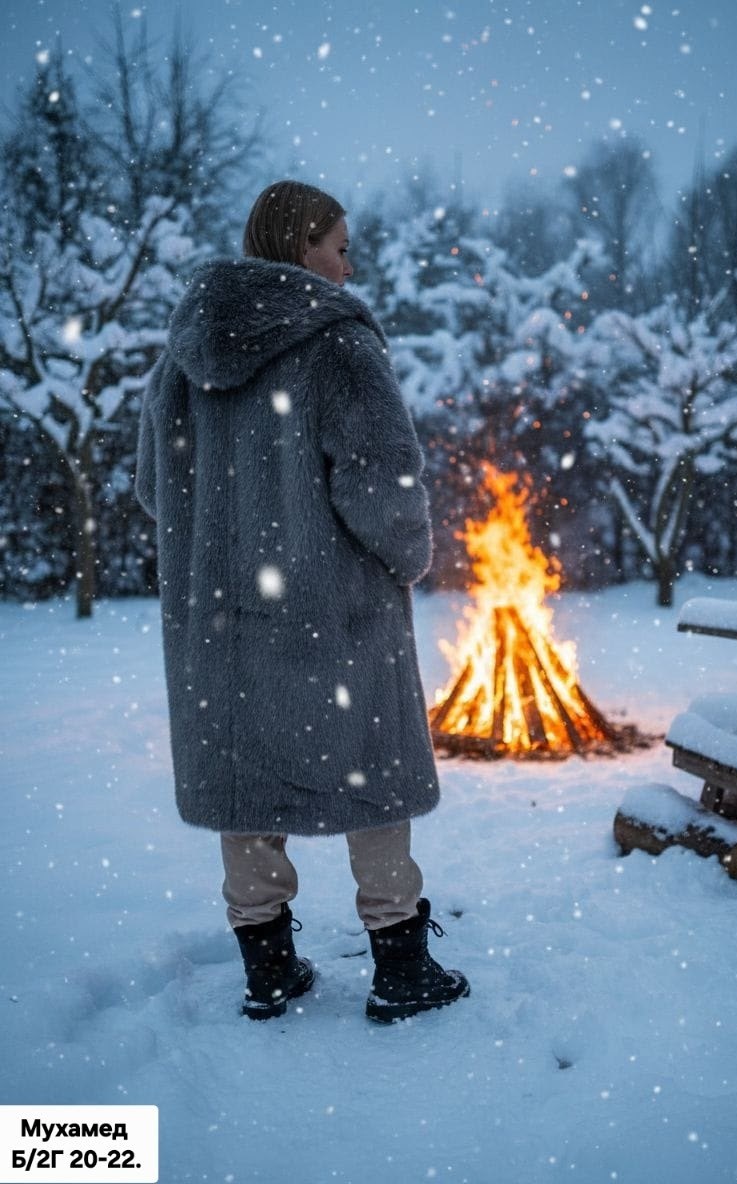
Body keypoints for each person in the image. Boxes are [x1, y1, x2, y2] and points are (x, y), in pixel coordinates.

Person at [135, 180, 469, 1023]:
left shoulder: (182, 358)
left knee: (246, 784)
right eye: (341, 245)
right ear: (301, 246)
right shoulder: (337, 344)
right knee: (374, 777)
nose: (350, 265)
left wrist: (225, 532)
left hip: (221, 621)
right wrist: (409, 554)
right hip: (335, 613)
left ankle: (269, 967)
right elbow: (384, 485)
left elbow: (151, 486)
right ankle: (399, 967)